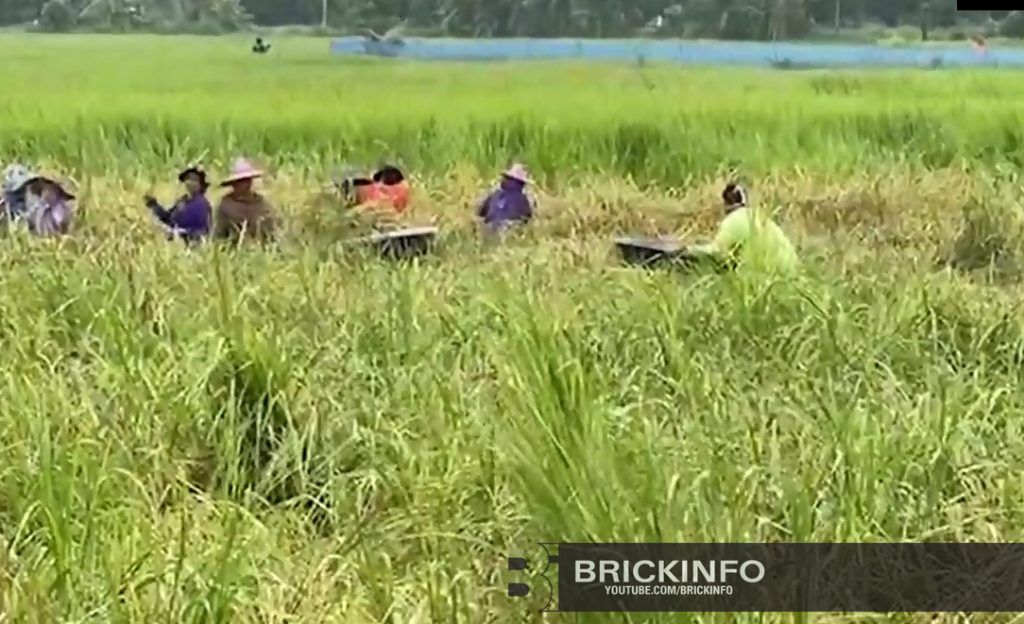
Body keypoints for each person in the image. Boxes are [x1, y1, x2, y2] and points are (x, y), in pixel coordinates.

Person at [686, 182, 798, 275]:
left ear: (725, 203)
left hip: (765, 275)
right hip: (789, 272)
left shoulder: (735, 220)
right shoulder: (760, 218)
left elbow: (718, 253)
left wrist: (688, 250)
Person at [213, 158, 277, 243]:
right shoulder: (226, 206)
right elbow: (220, 234)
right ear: (234, 184)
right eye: (241, 182)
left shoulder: (261, 203)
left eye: (247, 181)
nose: (245, 184)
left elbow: (272, 230)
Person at [144, 165, 212, 244]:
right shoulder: (183, 201)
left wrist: (177, 233)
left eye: (194, 180)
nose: (190, 182)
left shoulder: (202, 204)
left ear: (201, 184)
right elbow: (169, 218)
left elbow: (200, 230)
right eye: (188, 179)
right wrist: (154, 206)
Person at [477, 163, 533, 233]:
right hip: (509, 232)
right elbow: (528, 219)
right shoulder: (523, 200)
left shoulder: (495, 195)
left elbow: (480, 214)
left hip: (489, 231)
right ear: (522, 184)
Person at [22, 173, 75, 237]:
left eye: (50, 189)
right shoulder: (36, 203)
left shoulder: (60, 207)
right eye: (44, 189)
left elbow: (63, 224)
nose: (46, 193)